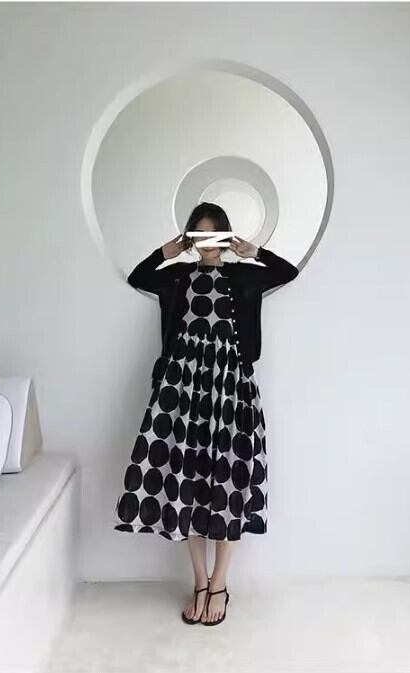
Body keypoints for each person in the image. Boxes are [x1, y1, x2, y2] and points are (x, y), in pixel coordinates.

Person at [113, 202, 300, 626]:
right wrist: (168, 252)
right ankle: (200, 581)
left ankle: (220, 583)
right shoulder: (177, 276)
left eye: (215, 234)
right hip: (182, 392)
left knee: (230, 481)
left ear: (226, 237)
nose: (207, 243)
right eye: (199, 235)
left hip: (231, 391)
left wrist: (254, 252)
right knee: (187, 482)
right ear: (191, 238)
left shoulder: (244, 275)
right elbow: (138, 277)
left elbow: (287, 273)